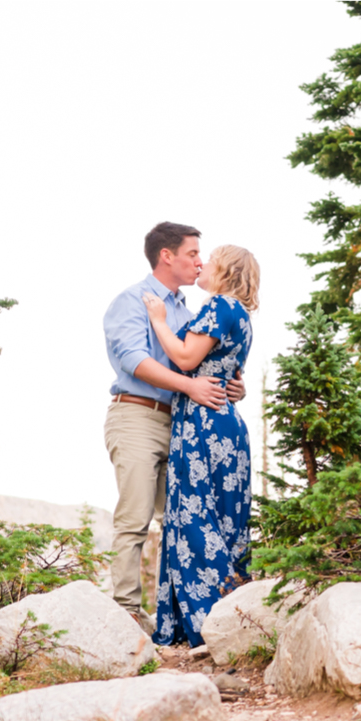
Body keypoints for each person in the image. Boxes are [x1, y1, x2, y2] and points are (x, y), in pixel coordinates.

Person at [102, 222, 243, 627]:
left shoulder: (189, 310)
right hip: (136, 416)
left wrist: (232, 385)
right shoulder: (131, 301)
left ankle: (184, 617)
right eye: (193, 254)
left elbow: (202, 360)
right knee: (134, 518)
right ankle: (127, 614)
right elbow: (134, 360)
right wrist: (191, 386)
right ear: (167, 256)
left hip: (184, 425)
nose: (200, 262)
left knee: (183, 519)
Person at [142, 245, 259, 647]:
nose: (202, 264)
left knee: (193, 516)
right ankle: (236, 618)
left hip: (202, 425)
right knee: (227, 521)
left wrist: (159, 320)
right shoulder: (242, 316)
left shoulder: (218, 306)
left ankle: (206, 623)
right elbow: (230, 374)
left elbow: (187, 358)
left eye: (209, 260)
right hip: (229, 424)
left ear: (223, 270)